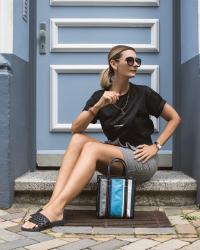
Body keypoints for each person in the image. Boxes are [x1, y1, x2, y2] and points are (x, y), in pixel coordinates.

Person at [21, 45, 181, 231]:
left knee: (91, 148)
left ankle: (56, 208)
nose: (135, 64)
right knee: (78, 140)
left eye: (138, 61)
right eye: (130, 60)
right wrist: (98, 105)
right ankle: (53, 205)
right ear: (114, 64)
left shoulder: (144, 93)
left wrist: (156, 146)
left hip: (141, 160)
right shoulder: (100, 96)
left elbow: (175, 118)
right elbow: (76, 128)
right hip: (115, 157)